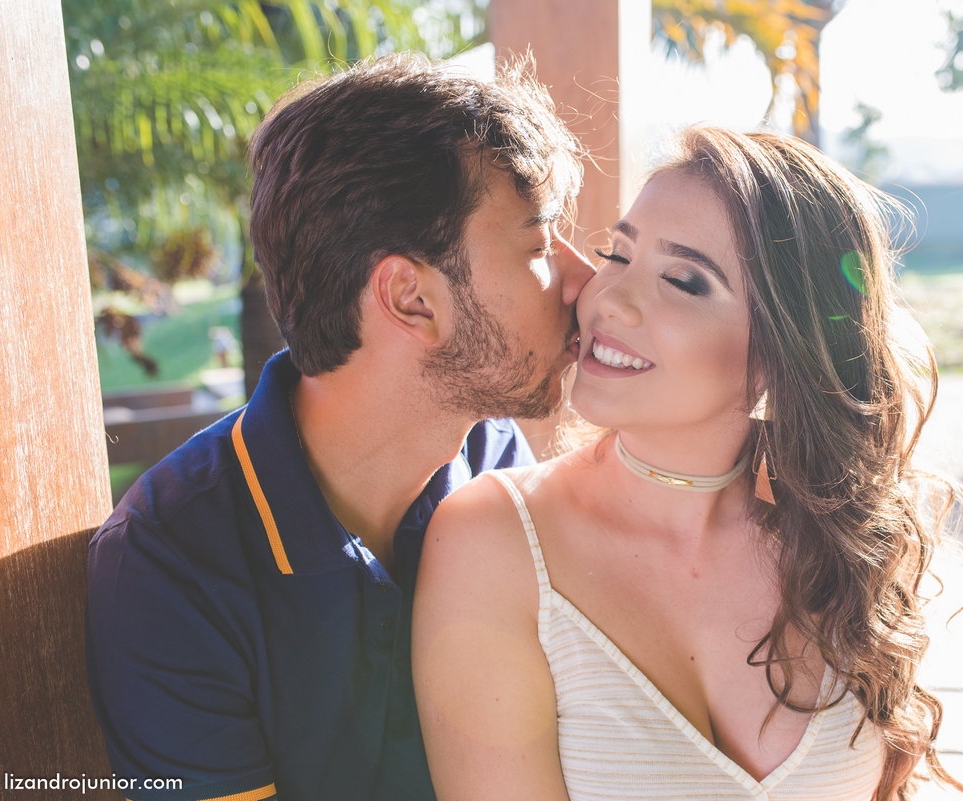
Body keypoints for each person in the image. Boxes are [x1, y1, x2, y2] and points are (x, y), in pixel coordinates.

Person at [85, 54, 594, 801]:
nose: (586, 277)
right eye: (541, 246)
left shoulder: (494, 463)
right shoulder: (171, 568)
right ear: (411, 298)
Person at [414, 127, 963, 801]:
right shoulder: (493, 538)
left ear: (777, 351)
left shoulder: (844, 543)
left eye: (681, 280)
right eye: (617, 254)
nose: (606, 298)